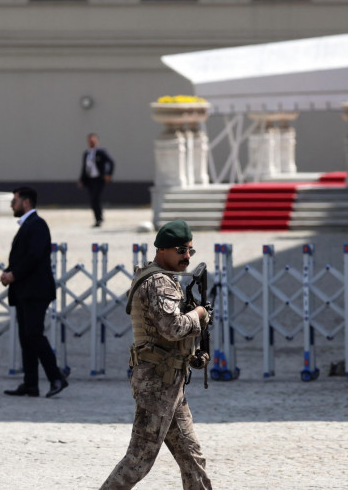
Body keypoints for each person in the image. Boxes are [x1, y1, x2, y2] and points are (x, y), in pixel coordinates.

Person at [100, 219, 212, 490]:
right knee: (139, 460)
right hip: (157, 384)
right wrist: (199, 314)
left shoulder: (159, 277)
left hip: (169, 381)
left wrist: (193, 353)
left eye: (190, 251)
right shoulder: (159, 282)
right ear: (162, 250)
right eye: (181, 250)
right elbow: (172, 328)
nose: (187, 256)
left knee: (191, 456)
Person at [0, 186, 68, 399]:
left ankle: (56, 378)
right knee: (26, 337)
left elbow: (34, 256)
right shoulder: (28, 225)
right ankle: (30, 384)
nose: (12, 205)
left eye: (15, 200)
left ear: (26, 202)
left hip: (36, 291)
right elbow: (24, 256)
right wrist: (10, 272)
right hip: (24, 290)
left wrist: (13, 274)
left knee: (33, 334)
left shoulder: (37, 224)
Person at [77, 133, 115, 227]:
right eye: (90, 140)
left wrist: (108, 174)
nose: (91, 142)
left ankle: (99, 219)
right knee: (92, 199)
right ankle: (97, 218)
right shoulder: (87, 153)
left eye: (93, 140)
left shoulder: (101, 151)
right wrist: (81, 180)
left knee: (95, 198)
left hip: (99, 179)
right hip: (90, 180)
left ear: (96, 141)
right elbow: (84, 168)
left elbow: (111, 162)